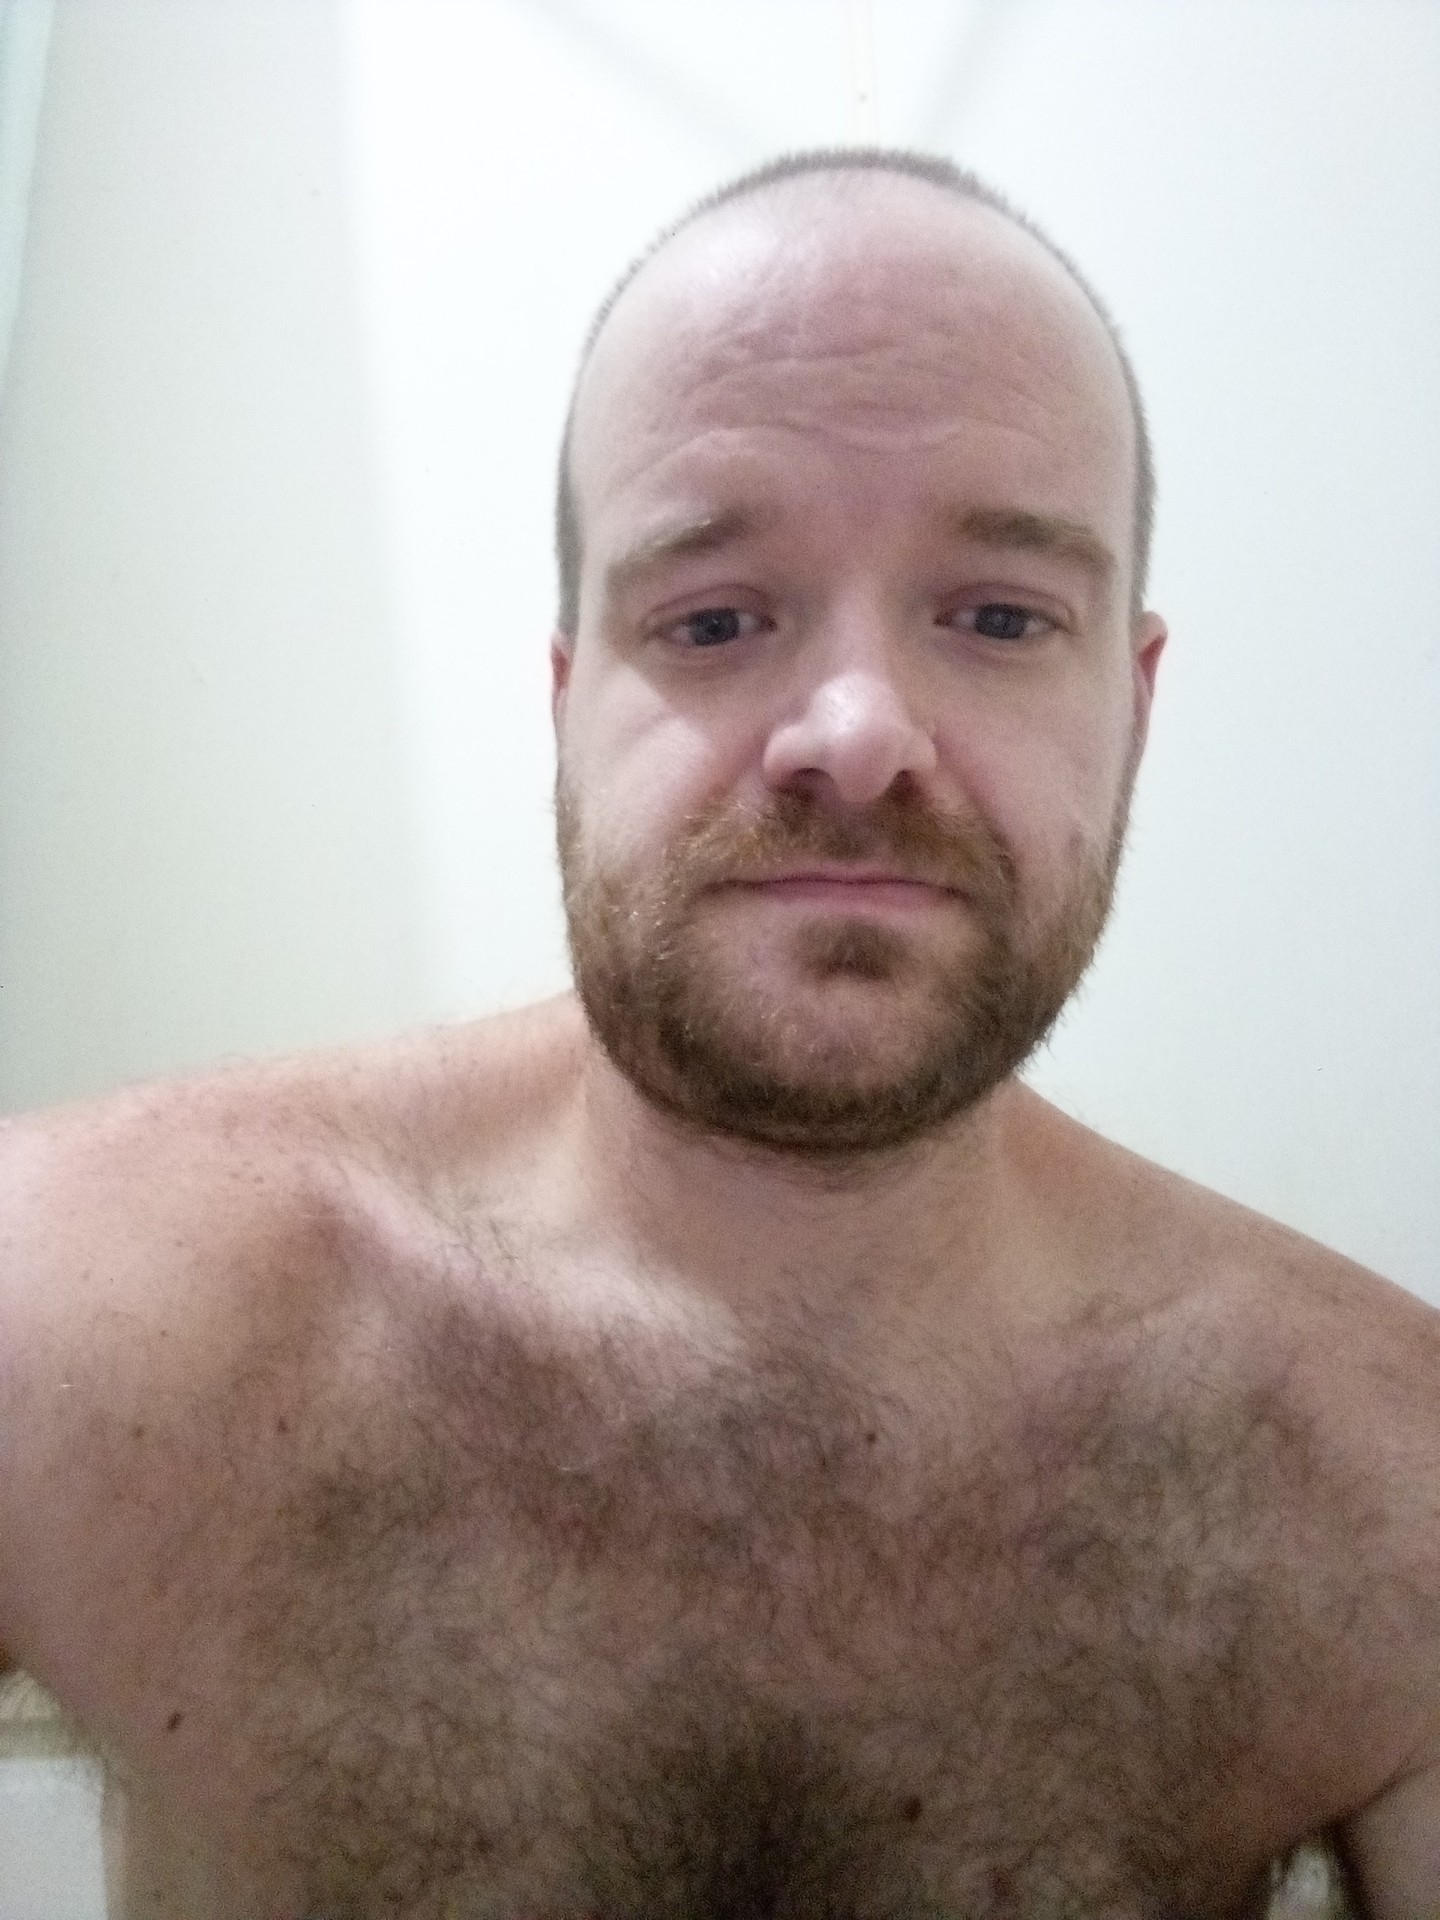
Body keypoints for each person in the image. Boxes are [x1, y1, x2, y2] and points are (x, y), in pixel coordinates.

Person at [0, 146, 1431, 1919]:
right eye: (716, 618)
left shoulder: (1387, 1487)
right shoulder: (70, 1316)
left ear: (1131, 706)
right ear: (568, 703)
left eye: (999, 617)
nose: (858, 732)